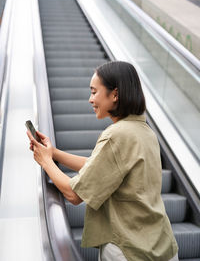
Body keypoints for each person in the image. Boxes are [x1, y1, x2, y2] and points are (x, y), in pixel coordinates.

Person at [27, 61, 179, 261]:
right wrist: (54, 153)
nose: (90, 99)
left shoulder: (116, 135)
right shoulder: (144, 131)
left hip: (128, 250)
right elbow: (99, 167)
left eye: (94, 92)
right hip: (162, 246)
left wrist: (45, 162)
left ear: (114, 95)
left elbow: (74, 194)